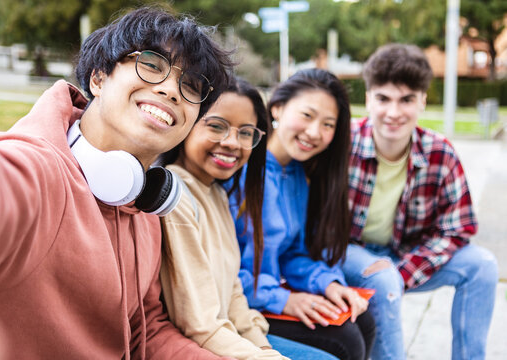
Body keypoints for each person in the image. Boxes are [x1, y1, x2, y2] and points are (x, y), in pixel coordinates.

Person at [0, 7, 237, 360]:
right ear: (98, 78)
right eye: (152, 65)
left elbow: (145, 329)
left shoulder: (145, 205)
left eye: (191, 86)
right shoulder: (35, 173)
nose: (171, 90)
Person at [158, 76, 337, 360]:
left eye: (246, 133)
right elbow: (200, 325)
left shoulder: (216, 193)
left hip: (231, 336)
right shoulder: (176, 196)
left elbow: (233, 294)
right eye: (217, 126)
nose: (232, 142)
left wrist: (263, 346)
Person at [343, 43, 498, 360]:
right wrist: (388, 278)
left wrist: (401, 273)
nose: (394, 112)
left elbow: (458, 228)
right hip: (349, 253)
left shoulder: (439, 152)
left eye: (407, 100)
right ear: (368, 98)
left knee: (482, 266)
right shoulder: (342, 144)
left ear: (423, 101)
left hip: (406, 255)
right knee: (383, 278)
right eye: (383, 99)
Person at [228, 69, 376, 360]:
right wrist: (284, 300)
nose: (314, 132)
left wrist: (327, 283)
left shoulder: (297, 174)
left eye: (328, 124)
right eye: (307, 115)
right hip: (240, 303)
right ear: (278, 107)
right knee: (344, 340)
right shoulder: (239, 169)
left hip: (266, 296)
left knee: (363, 320)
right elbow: (223, 267)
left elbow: (293, 254)